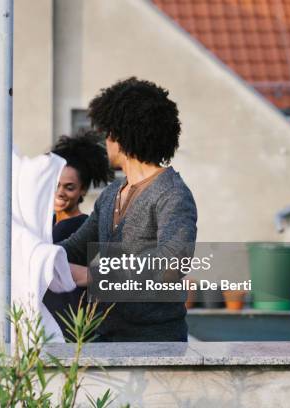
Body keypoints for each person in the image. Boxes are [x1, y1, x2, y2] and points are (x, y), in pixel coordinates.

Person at [58, 77, 198, 342]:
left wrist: (93, 276)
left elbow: (171, 264)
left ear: (122, 136)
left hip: (155, 344)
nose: (105, 140)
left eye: (108, 132)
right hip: (105, 337)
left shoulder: (173, 194)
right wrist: (32, 255)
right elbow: (75, 248)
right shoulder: (111, 194)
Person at [43, 130, 114, 340]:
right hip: (46, 326)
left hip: (70, 328)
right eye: (56, 185)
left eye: (69, 187)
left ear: (82, 190)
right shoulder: (46, 225)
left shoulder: (83, 227)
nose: (60, 192)